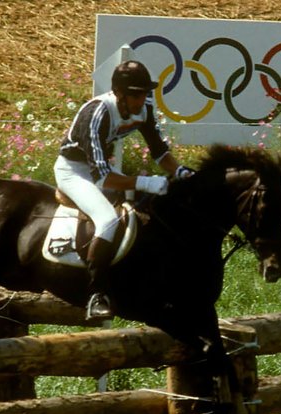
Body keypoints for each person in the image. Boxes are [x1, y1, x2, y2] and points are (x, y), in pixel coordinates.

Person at [55, 60, 194, 321]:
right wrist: (144, 182)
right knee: (108, 220)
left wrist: (180, 172)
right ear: (119, 93)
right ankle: (96, 295)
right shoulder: (97, 113)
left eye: (144, 93)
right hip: (73, 172)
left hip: (103, 171)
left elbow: (160, 151)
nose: (141, 100)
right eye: (135, 94)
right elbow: (102, 178)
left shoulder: (143, 109)